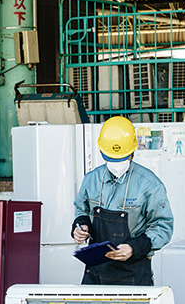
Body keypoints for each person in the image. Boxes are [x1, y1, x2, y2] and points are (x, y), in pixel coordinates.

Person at [72, 116, 173, 286]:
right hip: (96, 274)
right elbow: (82, 210)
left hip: (134, 274)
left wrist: (135, 247)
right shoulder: (91, 179)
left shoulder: (150, 185)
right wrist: (80, 226)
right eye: (111, 158)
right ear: (102, 152)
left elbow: (163, 227)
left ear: (132, 152)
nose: (116, 163)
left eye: (121, 158)